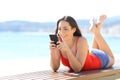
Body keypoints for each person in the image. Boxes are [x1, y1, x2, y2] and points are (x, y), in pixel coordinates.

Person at [49, 15, 114, 72]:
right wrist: (52, 52)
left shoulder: (82, 41)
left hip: (99, 59)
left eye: (65, 29)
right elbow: (55, 68)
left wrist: (67, 50)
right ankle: (96, 29)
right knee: (91, 51)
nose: (61, 32)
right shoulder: (59, 42)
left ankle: (96, 31)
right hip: (90, 54)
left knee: (112, 59)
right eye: (59, 29)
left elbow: (77, 69)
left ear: (73, 30)